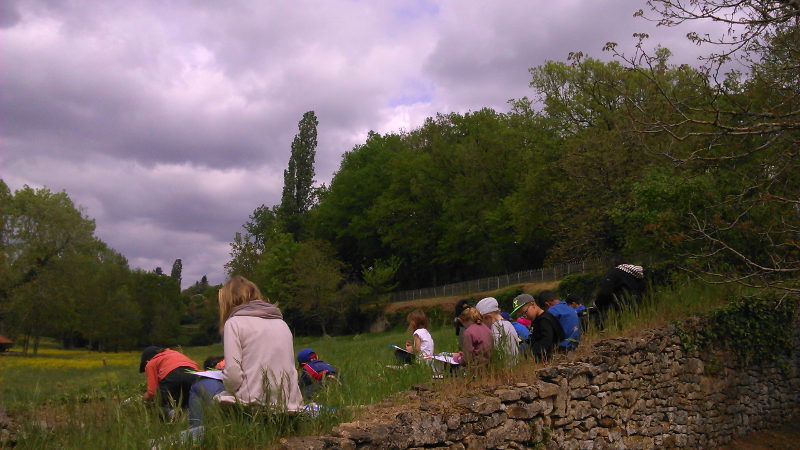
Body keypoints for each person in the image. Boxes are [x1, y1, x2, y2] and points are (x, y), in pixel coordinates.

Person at [188, 275, 303, 428]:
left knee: (198, 386)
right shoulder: (281, 323)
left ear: (228, 300)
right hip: (289, 406)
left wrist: (226, 379)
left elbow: (234, 377)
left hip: (254, 405)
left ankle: (199, 436)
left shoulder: (234, 323)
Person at [511, 293, 565, 360]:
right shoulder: (537, 320)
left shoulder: (545, 320)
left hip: (551, 359)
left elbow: (546, 343)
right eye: (521, 315)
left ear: (532, 304)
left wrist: (532, 355)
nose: (524, 317)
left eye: (524, 313)